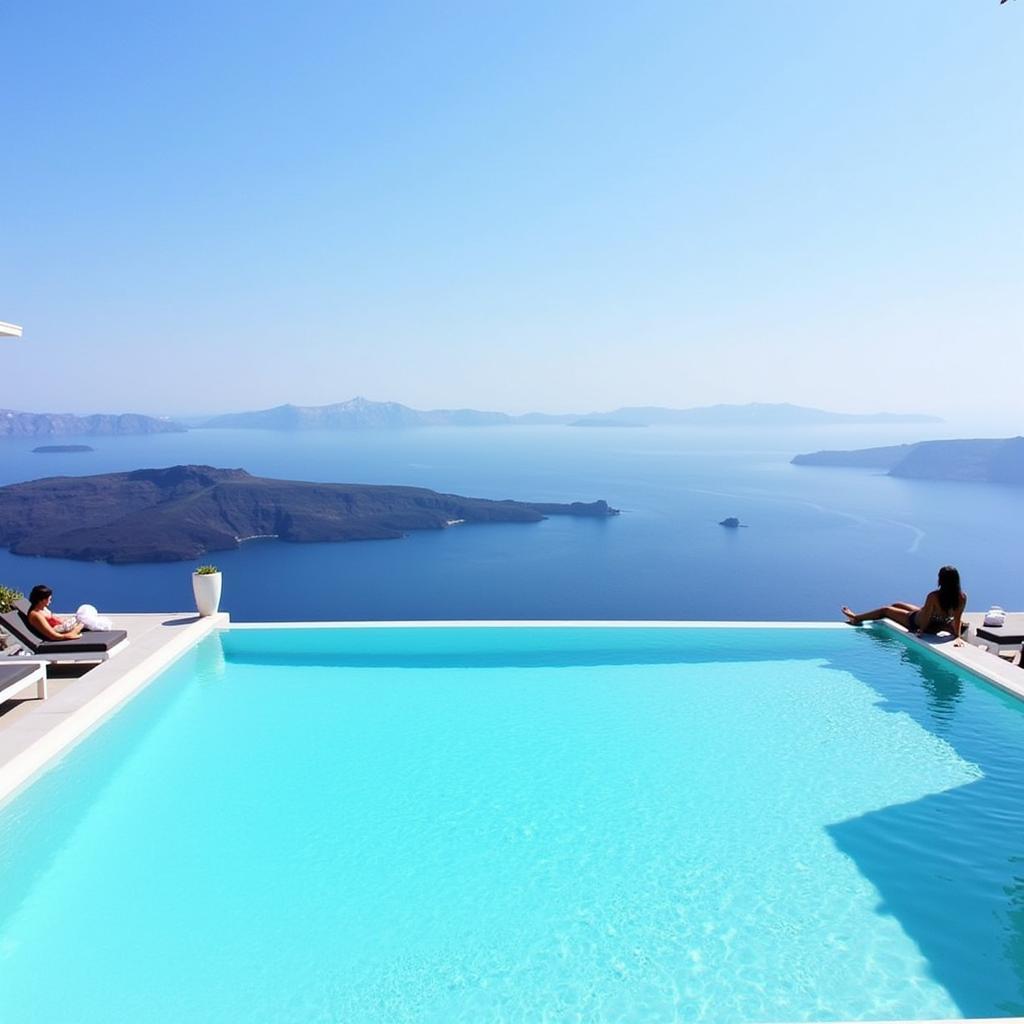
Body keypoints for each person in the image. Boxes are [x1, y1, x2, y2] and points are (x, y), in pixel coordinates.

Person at [841, 566, 967, 646]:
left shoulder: (934, 596)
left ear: (941, 580)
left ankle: (857, 618)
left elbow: (926, 616)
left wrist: (921, 630)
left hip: (916, 621)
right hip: (937, 624)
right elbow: (957, 618)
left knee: (886, 610)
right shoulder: (961, 597)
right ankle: (865, 617)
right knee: (897, 604)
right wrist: (958, 636)